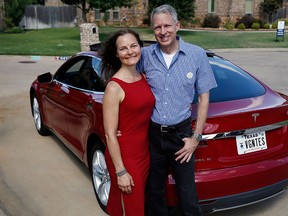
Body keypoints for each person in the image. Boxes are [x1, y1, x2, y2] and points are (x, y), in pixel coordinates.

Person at [136, 4, 217, 216]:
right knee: (154, 193)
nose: (162, 32)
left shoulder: (196, 55)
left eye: (167, 26)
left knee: (188, 196)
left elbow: (203, 97)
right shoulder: (145, 56)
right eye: (157, 27)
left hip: (181, 136)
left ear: (177, 25)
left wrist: (195, 138)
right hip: (152, 135)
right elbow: (126, 83)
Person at [99, 28, 155, 216]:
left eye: (133, 46)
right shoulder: (114, 87)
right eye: (123, 49)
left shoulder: (143, 77)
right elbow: (110, 134)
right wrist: (121, 171)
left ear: (140, 47)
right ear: (116, 54)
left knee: (122, 204)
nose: (130, 52)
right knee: (134, 209)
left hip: (143, 153)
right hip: (125, 157)